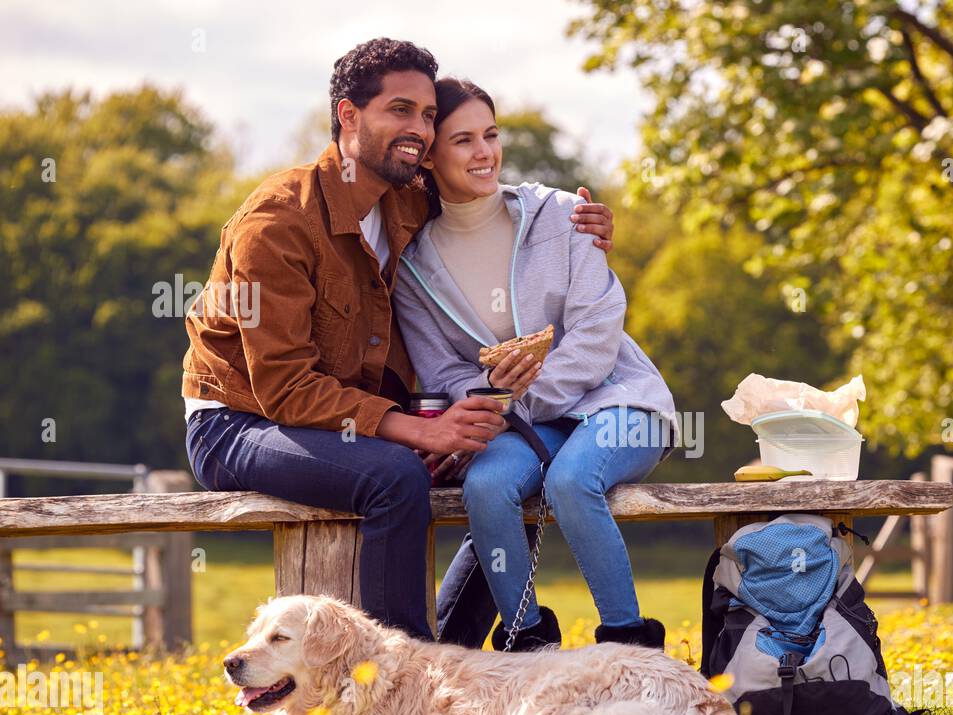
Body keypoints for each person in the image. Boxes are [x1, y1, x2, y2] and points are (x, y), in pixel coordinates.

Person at [180, 39, 615, 641]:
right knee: (393, 477)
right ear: (348, 116)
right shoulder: (276, 224)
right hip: (240, 421)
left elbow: (490, 187)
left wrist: (581, 220)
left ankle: (453, 663)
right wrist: (416, 429)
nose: (420, 129)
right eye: (401, 110)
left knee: (513, 461)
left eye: (429, 115)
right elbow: (282, 386)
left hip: (350, 415)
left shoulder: (408, 197)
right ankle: (398, 675)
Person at [393, 78, 676, 653]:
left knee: (573, 482)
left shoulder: (566, 216)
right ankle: (527, 646)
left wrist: (516, 400)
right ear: (429, 157)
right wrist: (490, 395)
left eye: (491, 135)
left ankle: (629, 646)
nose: (485, 153)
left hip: (618, 401)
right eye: (464, 140)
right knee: (489, 484)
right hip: (520, 422)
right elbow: (442, 371)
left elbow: (598, 335)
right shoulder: (412, 265)